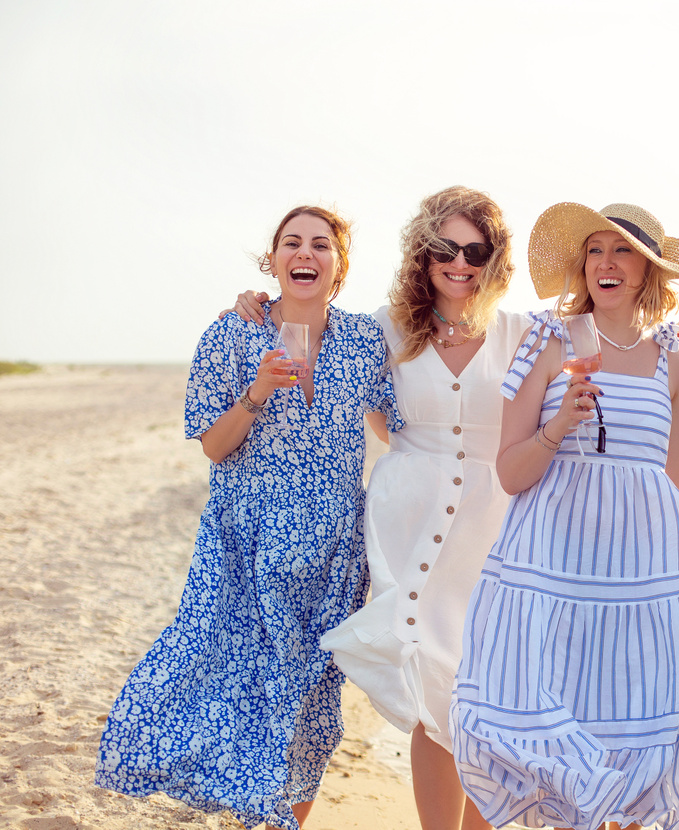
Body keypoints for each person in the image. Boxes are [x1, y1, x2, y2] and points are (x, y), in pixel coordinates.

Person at [230, 186, 527, 830]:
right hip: (409, 526)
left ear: (495, 258)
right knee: (432, 685)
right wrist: (255, 303)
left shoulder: (523, 332)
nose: (460, 262)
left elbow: (601, 339)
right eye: (445, 247)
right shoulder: (383, 328)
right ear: (423, 252)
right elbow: (316, 338)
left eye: (476, 251)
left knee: (489, 691)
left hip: (496, 528)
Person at [95, 206, 402, 830]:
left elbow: (396, 426)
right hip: (247, 547)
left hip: (332, 556)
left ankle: (287, 818)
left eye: (321, 244)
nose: (305, 253)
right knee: (224, 683)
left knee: (311, 707)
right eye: (292, 242)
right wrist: (257, 391)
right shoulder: (231, 335)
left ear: (339, 264)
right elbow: (214, 445)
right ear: (274, 259)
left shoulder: (366, 340)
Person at [450, 202, 679, 830]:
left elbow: (677, 479)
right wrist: (560, 424)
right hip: (549, 568)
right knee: (524, 724)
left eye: (622, 251)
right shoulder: (550, 339)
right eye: (595, 250)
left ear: (649, 271)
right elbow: (510, 472)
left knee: (630, 726)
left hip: (638, 578)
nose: (606, 263)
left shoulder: (672, 358)